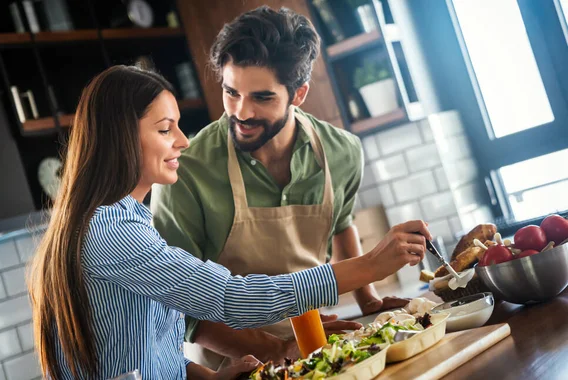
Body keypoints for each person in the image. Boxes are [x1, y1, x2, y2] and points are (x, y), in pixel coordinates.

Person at [27, 65, 430, 380]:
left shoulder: (129, 219)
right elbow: (231, 299)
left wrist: (204, 376)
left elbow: (139, 351)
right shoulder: (109, 231)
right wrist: (370, 265)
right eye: (166, 129)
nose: (183, 141)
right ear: (121, 138)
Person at [151, 6, 410, 368]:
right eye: (231, 92)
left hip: (318, 345)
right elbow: (179, 300)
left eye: (262, 97)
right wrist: (274, 350)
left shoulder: (341, 152)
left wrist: (369, 301)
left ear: (299, 94)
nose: (241, 112)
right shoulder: (188, 170)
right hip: (230, 363)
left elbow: (341, 224)